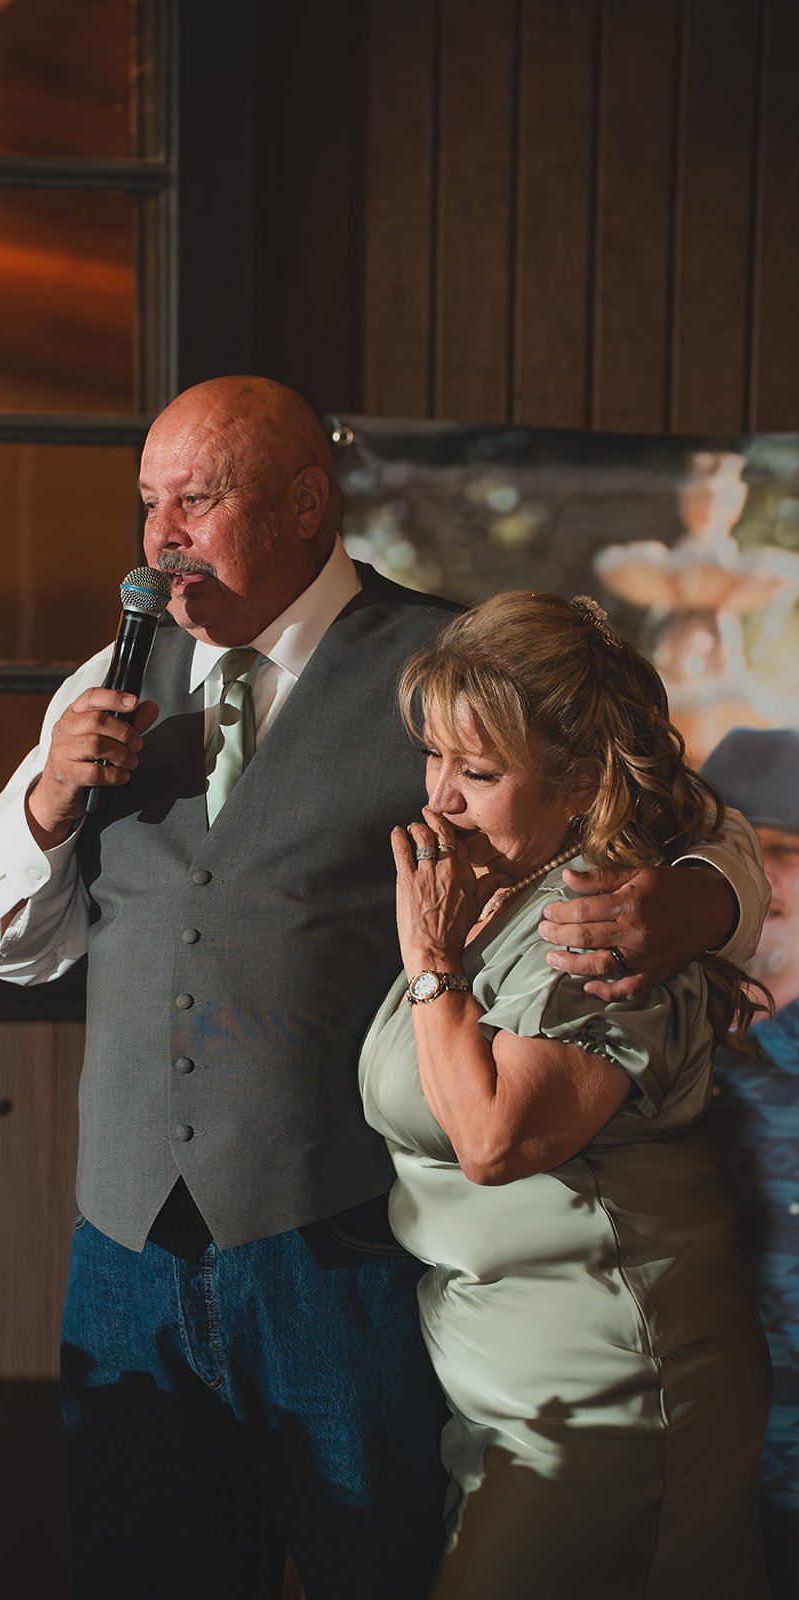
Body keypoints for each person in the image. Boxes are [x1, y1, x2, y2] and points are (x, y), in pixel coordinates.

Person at [0, 377, 768, 1600]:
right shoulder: (104, 686)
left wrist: (697, 899)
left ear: (302, 506)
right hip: (124, 1258)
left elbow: (702, 830)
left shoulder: (447, 665)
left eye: (198, 498)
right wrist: (47, 800)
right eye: (147, 502)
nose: (161, 533)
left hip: (338, 1249)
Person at [360, 591, 771, 1599]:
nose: (439, 799)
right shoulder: (489, 880)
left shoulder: (594, 923)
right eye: (434, 758)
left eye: (478, 771)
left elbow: (496, 1139)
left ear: (579, 781)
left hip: (613, 1391)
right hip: (512, 1393)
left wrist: (425, 963)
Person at [702, 727, 799, 1600]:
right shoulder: (648, 1037)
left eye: (787, 853)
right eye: (742, 855)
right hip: (680, 1464)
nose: (765, 885)